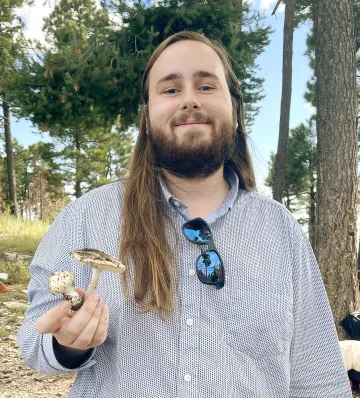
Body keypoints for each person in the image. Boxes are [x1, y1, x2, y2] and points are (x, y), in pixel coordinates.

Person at [17, 31, 351, 398]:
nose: (189, 100)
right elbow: (33, 341)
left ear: (236, 110)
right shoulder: (86, 218)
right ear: (146, 116)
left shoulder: (280, 230)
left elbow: (318, 377)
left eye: (206, 86)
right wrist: (69, 345)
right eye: (171, 89)